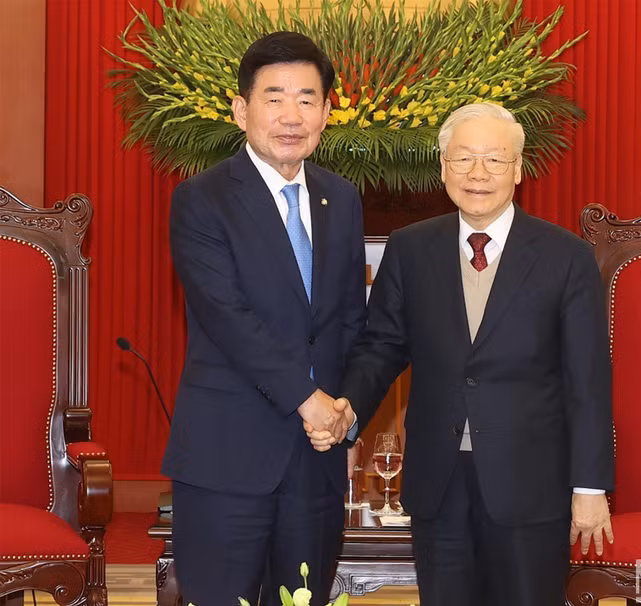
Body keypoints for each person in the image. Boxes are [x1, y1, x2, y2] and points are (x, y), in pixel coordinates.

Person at [307, 102, 615, 605]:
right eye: (463, 158)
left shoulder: (566, 257)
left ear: (517, 169)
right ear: (443, 166)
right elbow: (381, 346)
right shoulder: (410, 249)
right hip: (439, 480)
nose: (478, 173)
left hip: (531, 484)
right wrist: (349, 409)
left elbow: (589, 382)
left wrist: (590, 486)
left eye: (494, 160)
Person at [163, 31, 366, 606]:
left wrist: (345, 407)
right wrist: (310, 401)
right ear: (241, 109)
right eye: (274, 97)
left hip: (317, 461)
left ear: (328, 111)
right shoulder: (202, 199)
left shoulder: (342, 198)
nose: (291, 115)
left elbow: (352, 319)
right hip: (228, 458)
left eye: (307, 98)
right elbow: (228, 318)